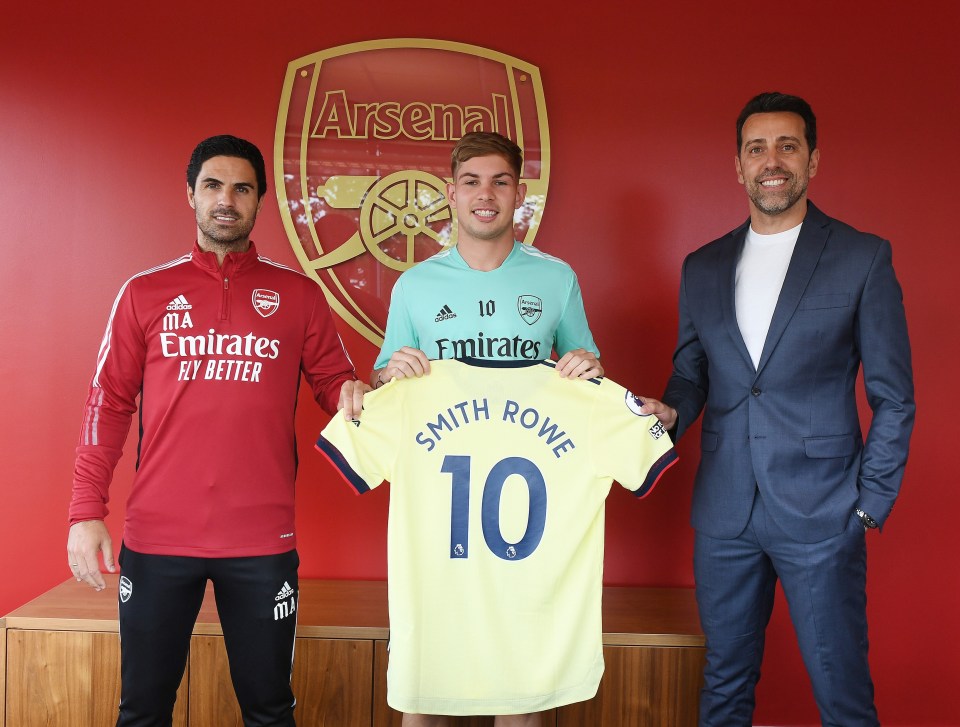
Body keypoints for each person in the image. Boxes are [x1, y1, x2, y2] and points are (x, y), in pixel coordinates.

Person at [66, 134, 368, 726]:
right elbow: (108, 403)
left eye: (241, 188)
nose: (226, 199)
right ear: (191, 195)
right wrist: (85, 511)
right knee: (142, 711)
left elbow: (335, 383)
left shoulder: (300, 295)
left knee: (269, 710)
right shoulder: (144, 292)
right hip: (156, 539)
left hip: (261, 540)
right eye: (213, 186)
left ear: (258, 203)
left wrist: (357, 394)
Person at [640, 92, 915, 726]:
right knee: (725, 686)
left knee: (842, 692)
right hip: (725, 512)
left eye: (787, 146)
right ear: (737, 165)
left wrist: (870, 501)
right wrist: (673, 412)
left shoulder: (862, 257)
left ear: (813, 160)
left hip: (824, 510)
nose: (772, 161)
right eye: (756, 148)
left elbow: (894, 395)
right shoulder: (702, 266)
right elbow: (690, 375)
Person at [371, 131, 603, 726]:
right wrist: (387, 377)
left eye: (500, 181)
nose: (485, 194)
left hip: (527, 528)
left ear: (519, 193)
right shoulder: (416, 286)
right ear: (450, 193)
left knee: (519, 698)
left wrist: (588, 370)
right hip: (437, 532)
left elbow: (590, 383)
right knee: (426, 695)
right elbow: (382, 399)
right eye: (471, 181)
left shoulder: (556, 280)